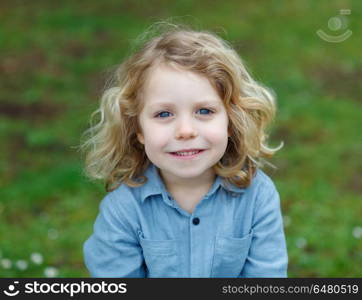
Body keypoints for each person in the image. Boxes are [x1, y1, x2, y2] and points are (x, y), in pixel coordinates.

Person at [81, 22, 288, 278]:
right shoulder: (123, 209)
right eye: (164, 113)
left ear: (230, 121)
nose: (185, 131)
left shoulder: (257, 197)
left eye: (204, 111)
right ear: (138, 129)